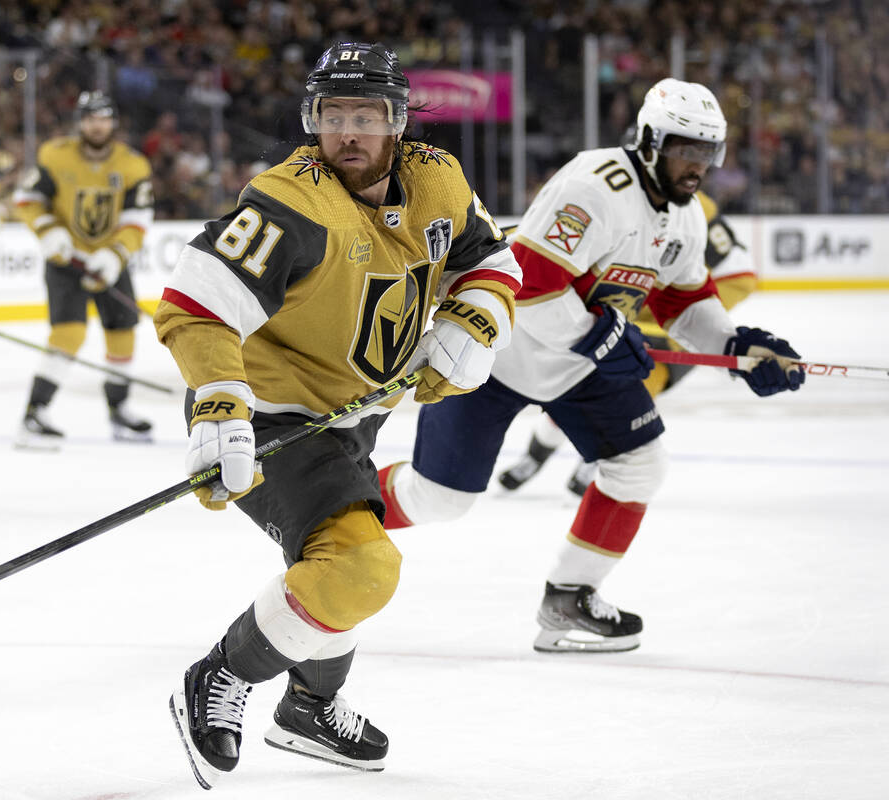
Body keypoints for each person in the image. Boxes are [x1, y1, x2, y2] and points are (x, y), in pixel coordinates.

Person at [154, 42, 521, 788]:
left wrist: (474, 319)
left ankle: (310, 708)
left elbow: (491, 261)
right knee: (360, 563)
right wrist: (219, 410)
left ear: (399, 124)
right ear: (311, 121)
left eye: (366, 115)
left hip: (350, 420)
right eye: (333, 115)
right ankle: (221, 676)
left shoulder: (437, 181)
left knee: (330, 563)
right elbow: (194, 307)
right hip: (272, 420)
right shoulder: (293, 200)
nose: (348, 132)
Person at [378, 78, 804, 654]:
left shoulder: (685, 215)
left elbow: (681, 301)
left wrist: (738, 348)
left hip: (575, 362)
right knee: (438, 499)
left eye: (707, 153)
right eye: (685, 149)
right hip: (495, 350)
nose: (696, 165)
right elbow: (529, 286)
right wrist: (602, 341)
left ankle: (568, 598)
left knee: (640, 466)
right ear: (650, 141)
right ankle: (335, 514)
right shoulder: (594, 186)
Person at [498, 189, 757, 496]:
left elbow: (739, 273)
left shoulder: (691, 206)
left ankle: (596, 461)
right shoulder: (610, 195)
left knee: (636, 384)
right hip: (629, 304)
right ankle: (536, 455)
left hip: (669, 313)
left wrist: (681, 322)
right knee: (572, 377)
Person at [13, 90, 155, 447]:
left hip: (110, 259)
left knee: (123, 331)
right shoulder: (55, 156)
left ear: (113, 122)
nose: (98, 125)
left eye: (104, 118)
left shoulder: (132, 165)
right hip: (66, 260)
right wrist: (49, 230)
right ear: (81, 122)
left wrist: (116, 254)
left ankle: (119, 409)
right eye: (91, 118)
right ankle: (35, 413)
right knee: (69, 334)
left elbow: (137, 218)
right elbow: (27, 200)